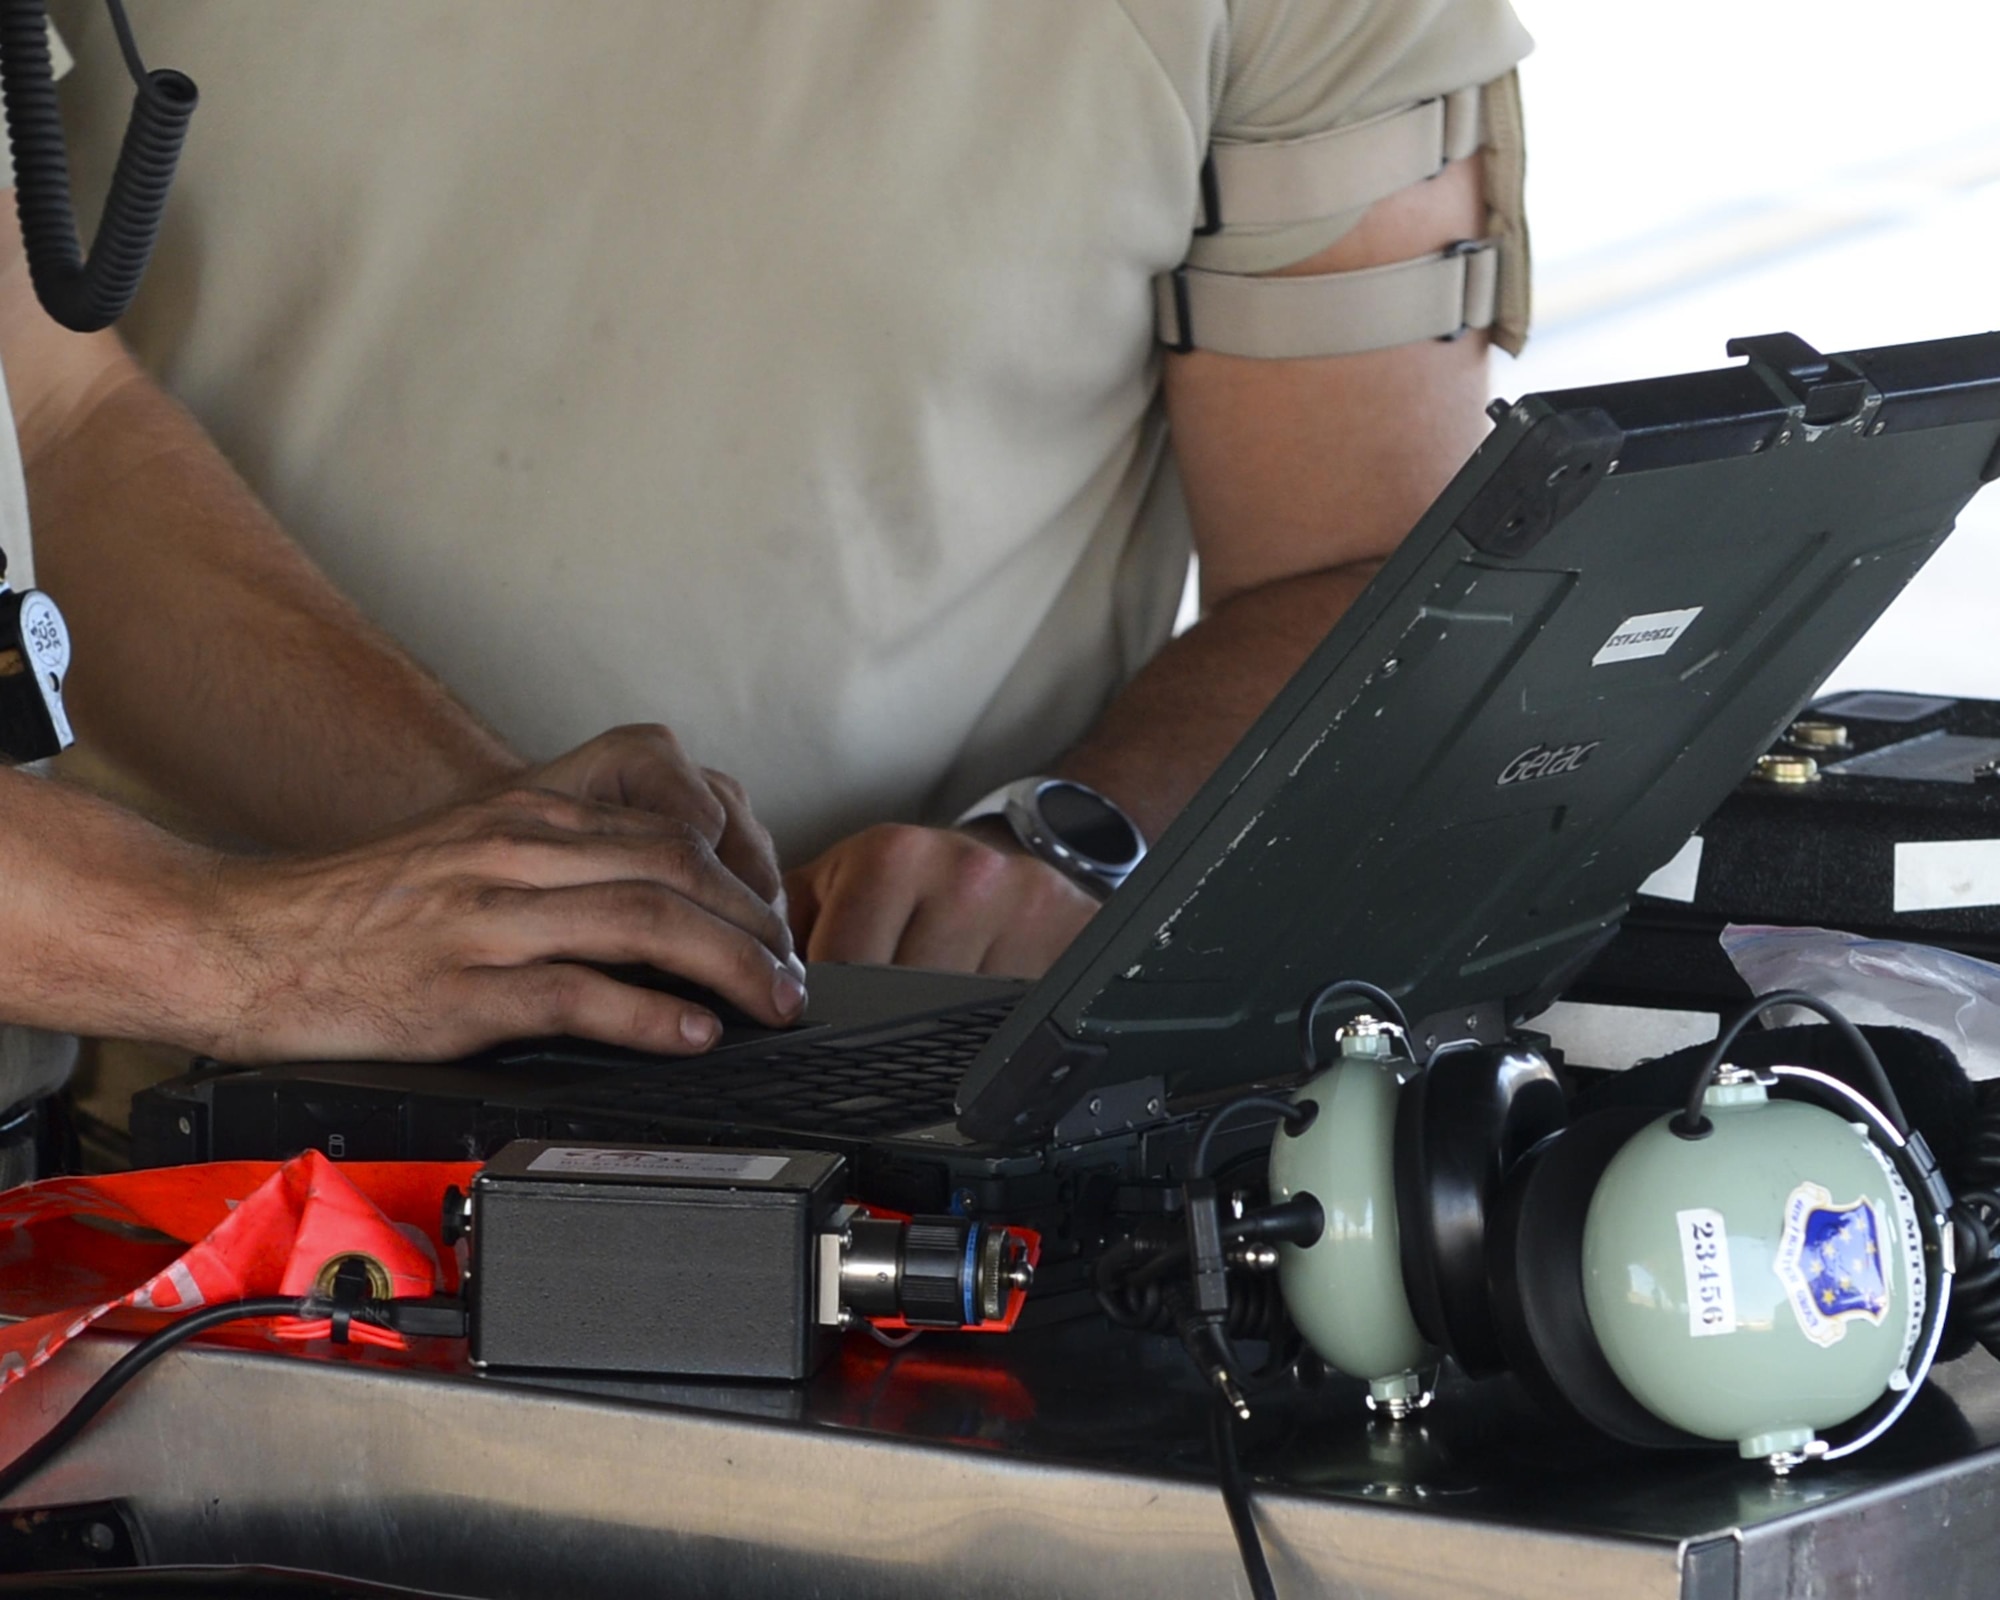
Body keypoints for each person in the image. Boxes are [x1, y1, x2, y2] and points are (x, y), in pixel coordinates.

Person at [39, 0, 1532, 978]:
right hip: (156, 1122)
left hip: (904, 1121)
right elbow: (49, 426)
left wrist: (1076, 844)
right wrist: (548, 890)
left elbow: (1367, 573)